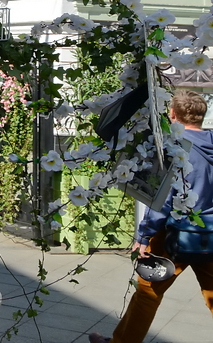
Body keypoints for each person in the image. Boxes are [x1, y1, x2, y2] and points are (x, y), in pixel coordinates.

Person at [89, 90, 213, 343]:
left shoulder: (176, 148)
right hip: (211, 235)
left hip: (173, 235)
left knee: (148, 293)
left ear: (172, 114)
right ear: (202, 115)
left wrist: (143, 236)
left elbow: (163, 198)